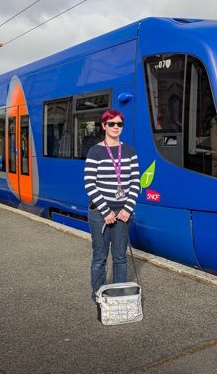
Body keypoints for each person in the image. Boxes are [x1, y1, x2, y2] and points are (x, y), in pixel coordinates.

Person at [84, 109, 140, 303]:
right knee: (100, 257)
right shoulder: (95, 151)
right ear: (104, 126)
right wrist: (106, 211)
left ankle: (119, 296)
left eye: (119, 124)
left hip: (123, 212)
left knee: (120, 257)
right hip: (100, 213)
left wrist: (128, 209)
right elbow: (90, 184)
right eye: (111, 124)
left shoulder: (130, 151)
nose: (116, 127)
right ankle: (98, 296)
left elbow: (135, 182)